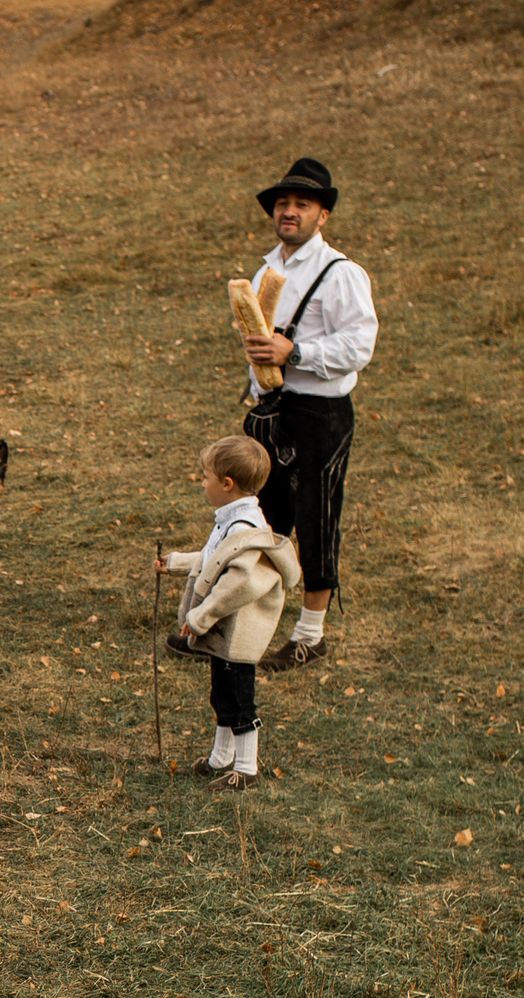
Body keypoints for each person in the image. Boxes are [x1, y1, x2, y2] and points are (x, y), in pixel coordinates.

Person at [238, 158, 376, 673]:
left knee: (317, 517)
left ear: (323, 215)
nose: (289, 212)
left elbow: (359, 346)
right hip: (273, 411)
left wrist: (292, 354)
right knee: (262, 519)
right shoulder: (265, 270)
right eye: (283, 204)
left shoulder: (342, 272)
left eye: (302, 205)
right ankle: (250, 622)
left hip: (321, 413)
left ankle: (310, 636)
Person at [156, 436, 300, 791]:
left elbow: (238, 582)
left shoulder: (243, 528)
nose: (201, 483)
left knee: (238, 698)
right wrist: (174, 563)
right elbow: (210, 560)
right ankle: (221, 759)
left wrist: (200, 617)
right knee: (220, 695)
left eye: (205, 477)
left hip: (237, 633)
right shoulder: (230, 520)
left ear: (226, 484)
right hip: (223, 633)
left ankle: (246, 768)